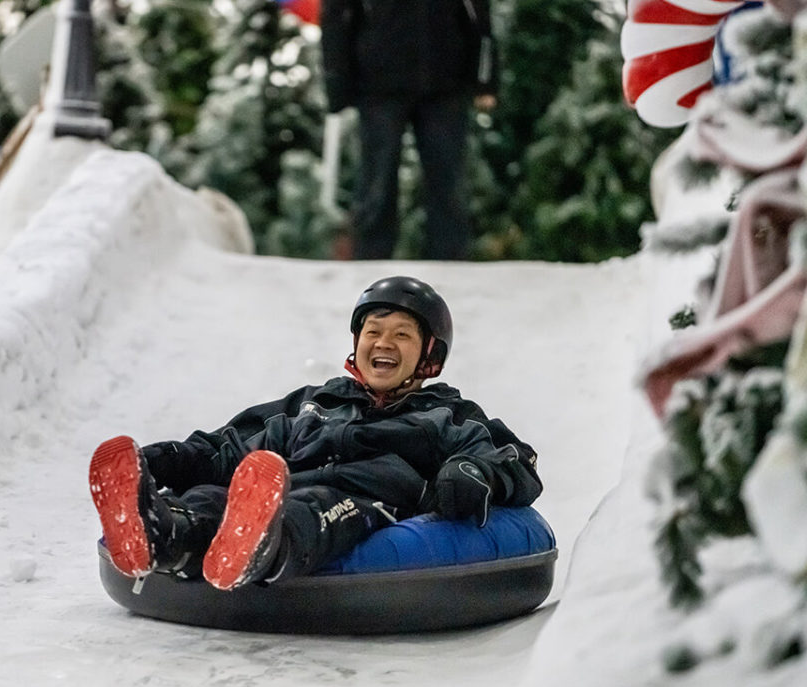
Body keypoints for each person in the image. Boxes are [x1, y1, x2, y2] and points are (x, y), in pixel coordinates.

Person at [88, 276, 540, 591]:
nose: (383, 343)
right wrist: (166, 459)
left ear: (428, 359)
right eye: (373, 331)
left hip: (363, 501)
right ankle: (161, 536)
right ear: (356, 343)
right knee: (210, 496)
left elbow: (512, 458)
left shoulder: (446, 415)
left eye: (402, 335)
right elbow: (230, 447)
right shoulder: (316, 403)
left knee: (316, 508)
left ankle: (262, 550)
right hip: (273, 491)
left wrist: (469, 471)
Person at [320, 0, 499, 261]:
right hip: (377, 84)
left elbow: (479, 15)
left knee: (449, 187)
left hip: (446, 84)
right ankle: (368, 268)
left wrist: (486, 79)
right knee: (376, 187)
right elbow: (337, 14)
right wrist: (337, 83)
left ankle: (453, 268)